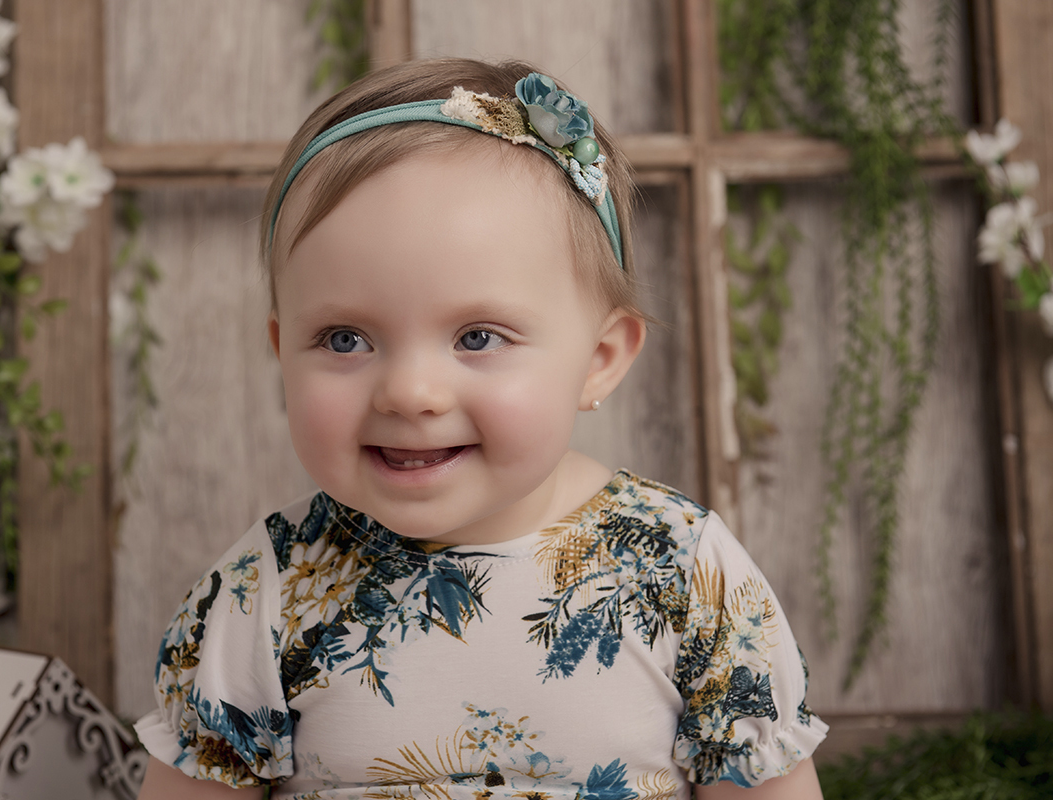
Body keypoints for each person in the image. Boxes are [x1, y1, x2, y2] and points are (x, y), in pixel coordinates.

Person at [134, 58, 828, 800]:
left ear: (598, 360)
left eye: (477, 337)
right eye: (344, 340)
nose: (410, 392)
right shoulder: (266, 590)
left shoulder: (683, 571)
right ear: (281, 352)